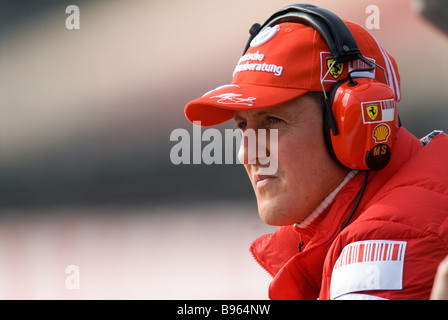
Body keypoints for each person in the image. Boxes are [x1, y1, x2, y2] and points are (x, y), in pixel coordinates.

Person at [184, 4, 448, 300]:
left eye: (273, 121)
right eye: (243, 126)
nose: (247, 154)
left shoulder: (385, 239)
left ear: (357, 122)